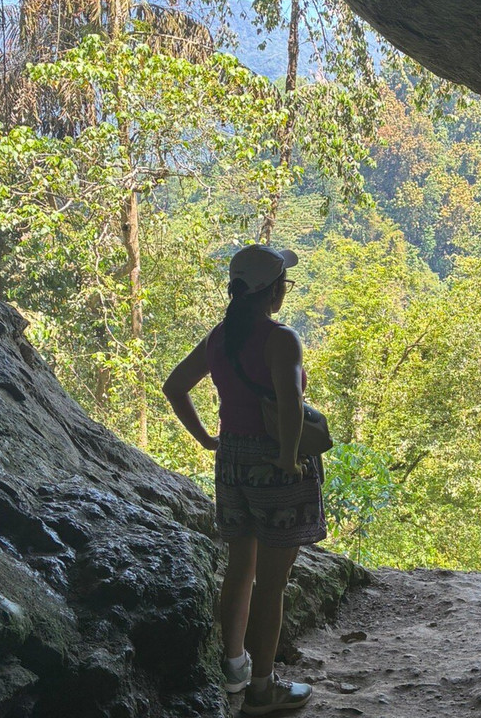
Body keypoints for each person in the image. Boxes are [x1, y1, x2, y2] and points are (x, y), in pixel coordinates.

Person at [162, 244, 324, 716]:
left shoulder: (219, 338)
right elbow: (290, 406)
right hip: (275, 465)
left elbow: (175, 388)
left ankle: (232, 671)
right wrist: (290, 458)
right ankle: (262, 688)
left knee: (238, 570)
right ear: (273, 291)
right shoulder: (282, 340)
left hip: (232, 459)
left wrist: (208, 440)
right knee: (271, 585)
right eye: (283, 285)